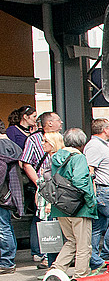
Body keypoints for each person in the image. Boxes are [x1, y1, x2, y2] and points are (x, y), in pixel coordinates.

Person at [47, 129, 97, 278]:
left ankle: (56, 269)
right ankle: (80, 277)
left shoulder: (57, 157)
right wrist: (91, 202)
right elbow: (80, 181)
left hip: (61, 207)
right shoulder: (78, 158)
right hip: (78, 208)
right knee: (83, 246)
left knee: (71, 241)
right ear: (82, 143)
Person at [20, 111, 62, 267]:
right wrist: (38, 183)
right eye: (58, 120)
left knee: (50, 219)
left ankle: (54, 255)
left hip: (57, 187)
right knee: (42, 218)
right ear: (49, 123)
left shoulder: (60, 138)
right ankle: (42, 253)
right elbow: (26, 163)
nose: (61, 122)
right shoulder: (34, 140)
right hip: (42, 186)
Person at [84, 118, 109, 271]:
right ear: (105, 129)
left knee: (98, 225)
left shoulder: (100, 145)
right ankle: (106, 253)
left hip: (103, 188)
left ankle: (95, 256)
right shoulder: (94, 146)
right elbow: (89, 170)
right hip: (102, 189)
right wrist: (92, 193)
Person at [0, 121, 24, 275]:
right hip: (9, 193)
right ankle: (8, 259)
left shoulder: (1, 148)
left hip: (2, 195)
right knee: (5, 226)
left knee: (2, 227)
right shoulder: (12, 145)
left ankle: (6, 262)